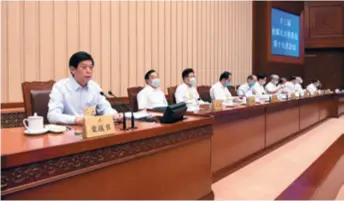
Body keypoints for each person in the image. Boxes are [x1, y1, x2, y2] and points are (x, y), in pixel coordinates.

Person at [47, 51, 120, 125]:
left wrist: (114, 115)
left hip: (91, 131)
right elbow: (52, 116)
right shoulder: (60, 87)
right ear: (73, 69)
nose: (89, 71)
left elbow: (105, 108)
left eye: (91, 67)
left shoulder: (94, 87)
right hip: (69, 131)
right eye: (84, 67)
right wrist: (76, 120)